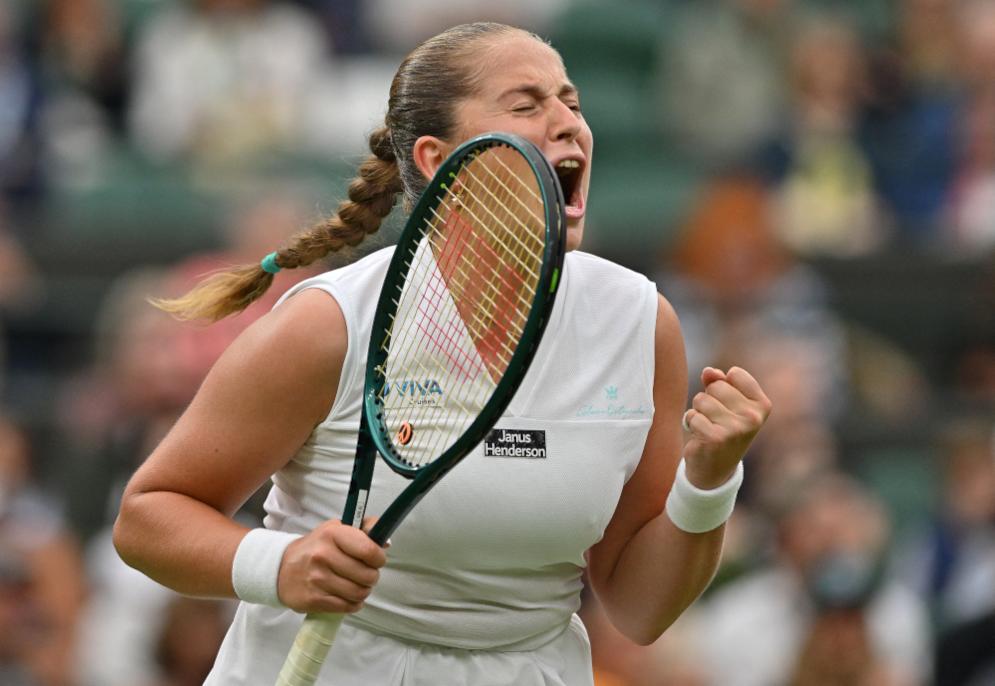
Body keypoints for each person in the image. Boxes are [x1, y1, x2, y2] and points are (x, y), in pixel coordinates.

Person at [112, 22, 772, 685]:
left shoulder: (638, 324)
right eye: (526, 105)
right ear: (436, 158)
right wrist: (279, 567)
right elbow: (148, 518)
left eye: (571, 103)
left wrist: (707, 482)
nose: (567, 123)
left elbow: (639, 609)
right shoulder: (329, 327)